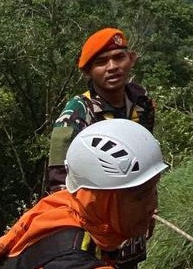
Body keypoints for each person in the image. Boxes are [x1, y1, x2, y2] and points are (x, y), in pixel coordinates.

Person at [0, 119, 168, 269]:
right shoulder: (71, 259)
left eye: (153, 190)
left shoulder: (65, 208)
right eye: (140, 196)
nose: (153, 206)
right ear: (101, 200)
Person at [47, 28, 157, 267]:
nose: (112, 66)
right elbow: (58, 183)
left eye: (119, 57)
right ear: (88, 71)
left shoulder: (142, 103)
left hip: (130, 218)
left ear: (132, 58)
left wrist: (146, 209)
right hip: (93, 229)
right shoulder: (76, 114)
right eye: (101, 62)